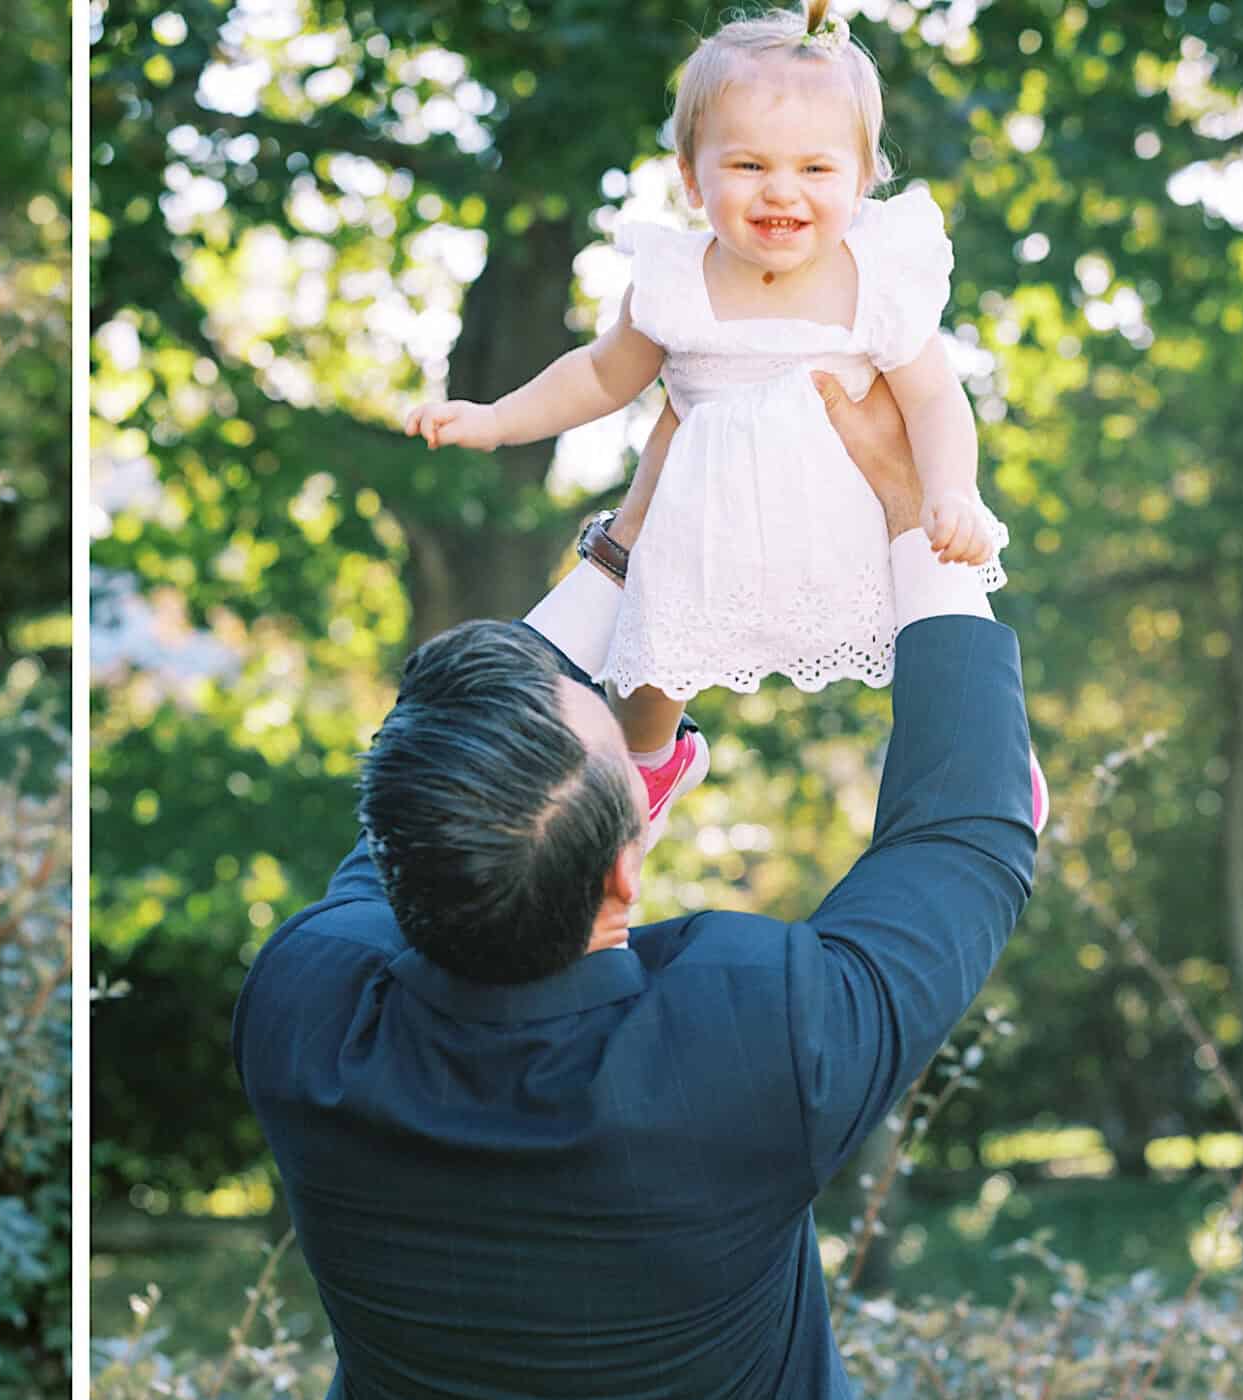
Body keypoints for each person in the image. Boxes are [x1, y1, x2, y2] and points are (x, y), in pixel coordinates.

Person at [233, 376, 1045, 1400]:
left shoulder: (308, 1021)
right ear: (624, 877)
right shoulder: (756, 1040)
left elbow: (440, 790)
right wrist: (922, 520)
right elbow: (968, 834)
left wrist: (624, 549)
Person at [403, 0, 1014, 838]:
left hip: (853, 524)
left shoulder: (880, 275)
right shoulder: (674, 282)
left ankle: (995, 764)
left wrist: (953, 491)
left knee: (940, 637)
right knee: (645, 675)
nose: (781, 192)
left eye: (816, 169)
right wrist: (498, 419)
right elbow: (597, 374)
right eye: (749, 165)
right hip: (707, 530)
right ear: (693, 177)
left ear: (866, 175)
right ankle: (655, 763)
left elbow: (936, 399)